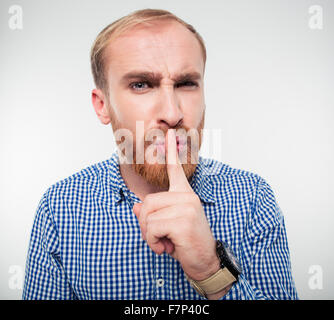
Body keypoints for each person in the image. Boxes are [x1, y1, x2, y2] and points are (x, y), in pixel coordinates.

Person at [22, 8, 298, 300]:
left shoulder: (253, 198)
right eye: (141, 85)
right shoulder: (60, 208)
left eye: (186, 83)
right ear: (102, 105)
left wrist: (209, 270)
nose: (172, 114)